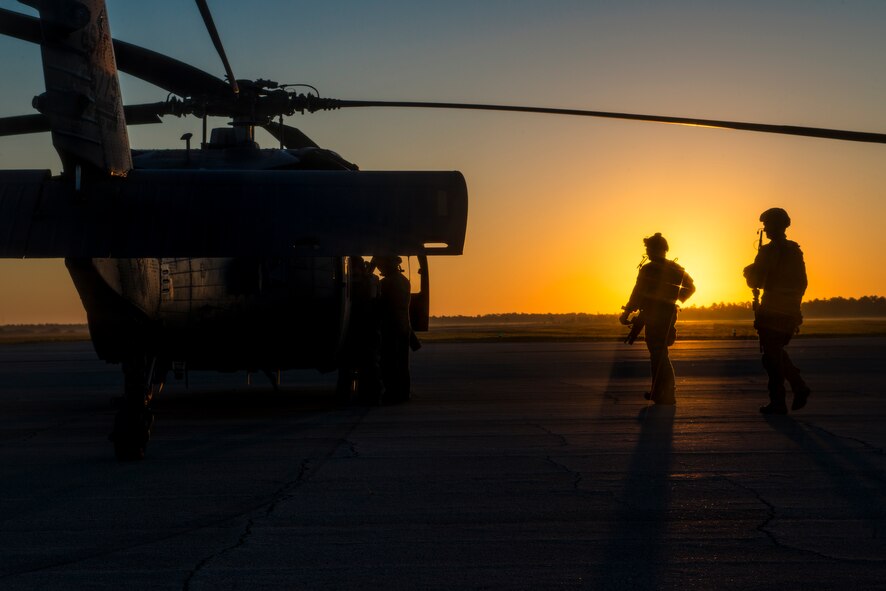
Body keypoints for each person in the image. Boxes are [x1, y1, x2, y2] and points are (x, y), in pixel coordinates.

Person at [743, 207, 810, 415]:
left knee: (771, 358)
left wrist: (747, 272)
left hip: (772, 312)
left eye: (767, 225)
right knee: (775, 353)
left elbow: (756, 280)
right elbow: (802, 283)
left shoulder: (769, 251)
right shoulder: (794, 250)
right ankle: (798, 387)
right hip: (789, 312)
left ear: (776, 226)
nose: (765, 229)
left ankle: (780, 400)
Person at [619, 233, 695, 405]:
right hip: (667, 314)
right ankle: (660, 391)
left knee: (658, 354)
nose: (647, 251)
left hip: (654, 315)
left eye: (649, 248)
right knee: (659, 354)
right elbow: (691, 287)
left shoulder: (648, 269)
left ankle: (666, 393)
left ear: (658, 249)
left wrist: (627, 313)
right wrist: (674, 300)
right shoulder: (676, 268)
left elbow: (637, 292)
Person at [373, 256, 412, 403]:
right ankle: (403, 393)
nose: (379, 268)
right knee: (402, 362)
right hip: (403, 326)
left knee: (389, 362)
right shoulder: (404, 281)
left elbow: (377, 304)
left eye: (380, 265)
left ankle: (392, 393)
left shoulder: (386, 283)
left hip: (391, 327)